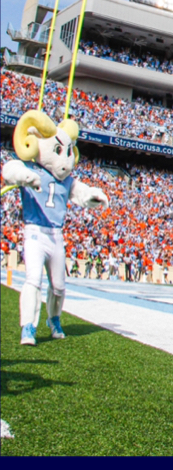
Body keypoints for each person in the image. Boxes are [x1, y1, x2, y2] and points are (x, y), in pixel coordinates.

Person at [3, 111, 109, 345]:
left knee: (59, 286)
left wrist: (94, 194)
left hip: (56, 235)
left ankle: (54, 319)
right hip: (34, 231)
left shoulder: (67, 180)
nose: (65, 159)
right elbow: (9, 171)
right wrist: (25, 175)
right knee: (33, 280)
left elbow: (81, 194)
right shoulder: (31, 167)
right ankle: (28, 326)